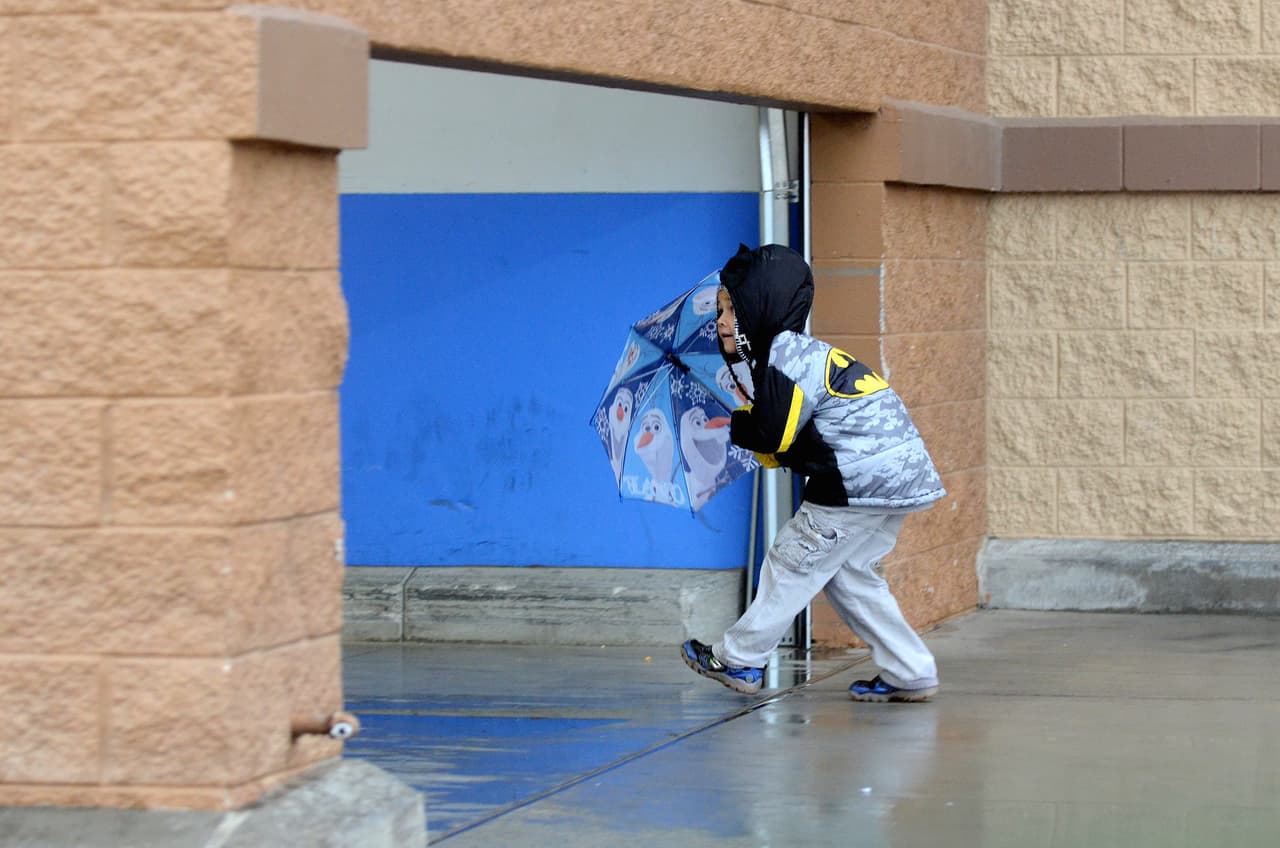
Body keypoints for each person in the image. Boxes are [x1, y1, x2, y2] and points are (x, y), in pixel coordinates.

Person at [680, 243, 946, 702]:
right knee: (849, 575)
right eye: (718, 310)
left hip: (856, 481)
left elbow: (775, 436)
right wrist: (759, 429)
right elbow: (796, 439)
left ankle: (740, 658)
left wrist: (743, 424)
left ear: (760, 307)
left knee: (792, 560)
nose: (720, 321)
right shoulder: (802, 355)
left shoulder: (786, 353)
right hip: (899, 476)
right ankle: (910, 670)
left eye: (730, 309)